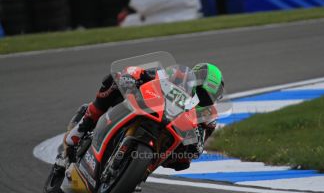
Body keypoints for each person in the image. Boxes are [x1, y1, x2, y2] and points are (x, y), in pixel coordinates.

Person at [59, 63, 224, 171]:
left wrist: (194, 147)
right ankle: (81, 129)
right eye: (201, 93)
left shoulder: (208, 117)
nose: (203, 100)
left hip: (170, 135)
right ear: (195, 82)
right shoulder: (179, 75)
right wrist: (132, 76)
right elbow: (148, 73)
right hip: (149, 105)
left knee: (183, 162)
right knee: (116, 80)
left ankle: (135, 171)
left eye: (208, 98)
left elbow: (198, 149)